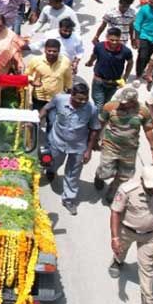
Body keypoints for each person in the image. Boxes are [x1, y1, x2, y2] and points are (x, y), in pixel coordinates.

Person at [109, 164, 153, 304]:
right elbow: (116, 212)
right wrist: (115, 237)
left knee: (147, 267)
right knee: (121, 251)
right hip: (127, 231)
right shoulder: (127, 190)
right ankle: (117, 262)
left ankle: (148, 303)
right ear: (142, 180)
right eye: (149, 187)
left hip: (151, 236)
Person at [40, 82, 100, 215]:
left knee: (73, 174)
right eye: (79, 98)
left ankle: (68, 199)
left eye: (85, 99)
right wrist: (35, 120)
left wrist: (89, 150)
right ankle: (51, 171)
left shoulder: (92, 109)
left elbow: (94, 129)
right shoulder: (59, 99)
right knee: (52, 163)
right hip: (57, 142)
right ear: (71, 95)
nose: (82, 102)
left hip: (78, 147)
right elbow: (46, 108)